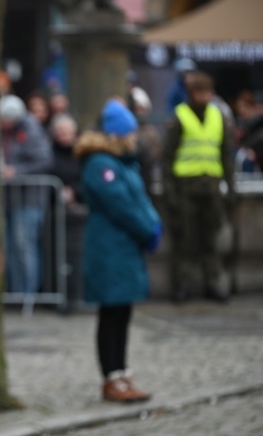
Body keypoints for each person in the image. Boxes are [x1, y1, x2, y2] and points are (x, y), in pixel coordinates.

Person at [75, 99, 161, 403]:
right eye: (130, 132)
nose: (135, 137)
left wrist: (153, 224)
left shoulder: (122, 161)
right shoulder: (101, 164)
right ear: (116, 133)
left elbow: (138, 198)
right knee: (110, 314)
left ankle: (122, 372)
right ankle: (111, 377)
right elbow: (121, 205)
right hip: (110, 250)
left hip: (124, 248)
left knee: (122, 313)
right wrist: (145, 228)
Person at [161, 70, 236, 303]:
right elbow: (167, 158)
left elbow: (226, 156)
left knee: (211, 240)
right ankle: (182, 286)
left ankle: (213, 283)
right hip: (186, 188)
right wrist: (170, 192)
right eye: (201, 92)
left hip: (211, 188)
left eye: (209, 92)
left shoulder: (218, 117)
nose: (206, 96)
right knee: (185, 240)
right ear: (192, 93)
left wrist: (230, 188)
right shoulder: (179, 117)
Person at [0, 93, 54, 294]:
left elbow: (44, 161)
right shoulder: (5, 131)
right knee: (10, 247)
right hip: (9, 198)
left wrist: (17, 171)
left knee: (24, 246)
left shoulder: (31, 129)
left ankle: (28, 295)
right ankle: (15, 292)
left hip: (29, 199)